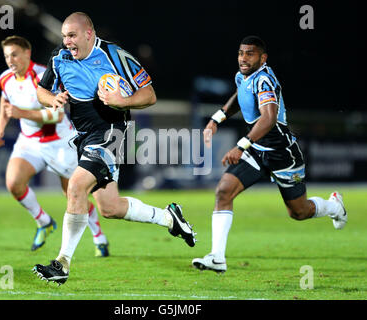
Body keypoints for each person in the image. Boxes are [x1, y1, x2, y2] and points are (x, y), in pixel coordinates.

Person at [33, 12, 196, 285]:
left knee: (75, 187)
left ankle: (62, 263)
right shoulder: (59, 57)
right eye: (64, 36)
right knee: (110, 208)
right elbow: (41, 91)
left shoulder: (114, 55)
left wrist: (123, 101)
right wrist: (53, 99)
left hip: (113, 134)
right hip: (84, 137)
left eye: (72, 35)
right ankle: (170, 218)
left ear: (88, 34)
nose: (67, 41)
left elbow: (150, 94)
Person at [192, 35, 347, 273]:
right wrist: (217, 118)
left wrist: (241, 145)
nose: (243, 58)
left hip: (282, 153)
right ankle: (217, 257)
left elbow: (269, 118)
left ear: (262, 58)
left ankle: (334, 207)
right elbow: (240, 95)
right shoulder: (243, 75)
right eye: (241, 53)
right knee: (224, 191)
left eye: (250, 53)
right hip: (257, 150)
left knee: (299, 212)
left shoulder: (265, 80)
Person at [0, 35, 110, 257]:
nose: (11, 60)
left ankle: (98, 235)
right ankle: (44, 222)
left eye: (15, 54)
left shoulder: (43, 75)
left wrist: (22, 114)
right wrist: (0, 128)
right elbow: (5, 100)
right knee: (13, 183)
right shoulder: (5, 78)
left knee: (74, 194)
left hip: (59, 143)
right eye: (7, 56)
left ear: (27, 53)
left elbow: (56, 115)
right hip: (29, 142)